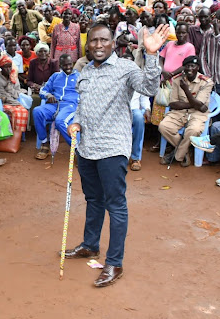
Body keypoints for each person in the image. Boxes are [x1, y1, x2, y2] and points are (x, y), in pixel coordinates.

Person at [63, 22, 168, 288]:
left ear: (113, 43)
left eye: (104, 40)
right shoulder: (85, 71)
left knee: (116, 205)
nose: (99, 45)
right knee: (93, 199)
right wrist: (75, 121)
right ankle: (90, 246)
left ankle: (114, 263)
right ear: (88, 44)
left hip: (112, 148)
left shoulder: (126, 68)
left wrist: (152, 54)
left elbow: (150, 88)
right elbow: (82, 107)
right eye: (94, 41)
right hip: (86, 147)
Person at [158, 56, 214, 167]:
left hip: (197, 114)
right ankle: (186, 151)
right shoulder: (177, 79)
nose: (189, 69)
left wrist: (186, 90)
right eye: (187, 66)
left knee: (194, 130)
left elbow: (201, 107)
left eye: (192, 66)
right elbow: (173, 103)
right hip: (179, 112)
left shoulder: (206, 82)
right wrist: (195, 104)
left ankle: (177, 155)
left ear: (197, 68)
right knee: (163, 126)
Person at [33, 54, 79, 160]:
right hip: (55, 104)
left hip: (70, 105)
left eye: (69, 64)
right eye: (64, 65)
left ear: (73, 63)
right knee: (37, 111)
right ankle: (45, 144)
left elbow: (86, 93)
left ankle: (77, 149)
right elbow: (43, 90)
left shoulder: (79, 77)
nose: (67, 67)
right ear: (60, 66)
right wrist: (48, 95)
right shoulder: (56, 76)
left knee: (60, 121)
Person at [0, 55, 29, 135]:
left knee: (24, 111)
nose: (8, 69)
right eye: (6, 67)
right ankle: (12, 134)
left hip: (14, 100)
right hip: (3, 102)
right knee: (15, 112)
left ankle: (19, 135)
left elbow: (17, 91)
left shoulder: (14, 77)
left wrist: (10, 90)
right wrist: (10, 95)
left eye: (10, 67)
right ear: (1, 67)